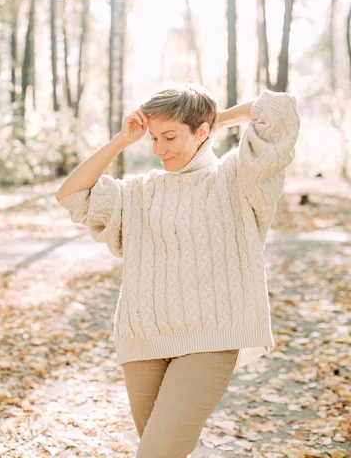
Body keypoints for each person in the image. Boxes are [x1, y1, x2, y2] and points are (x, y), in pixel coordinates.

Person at [55, 80, 301, 458]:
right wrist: (122, 141)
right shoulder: (138, 193)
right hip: (143, 340)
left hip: (211, 337)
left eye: (169, 137)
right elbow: (71, 195)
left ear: (201, 132)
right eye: (153, 139)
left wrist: (218, 119)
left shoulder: (237, 178)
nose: (159, 150)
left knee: (156, 453)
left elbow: (279, 110)